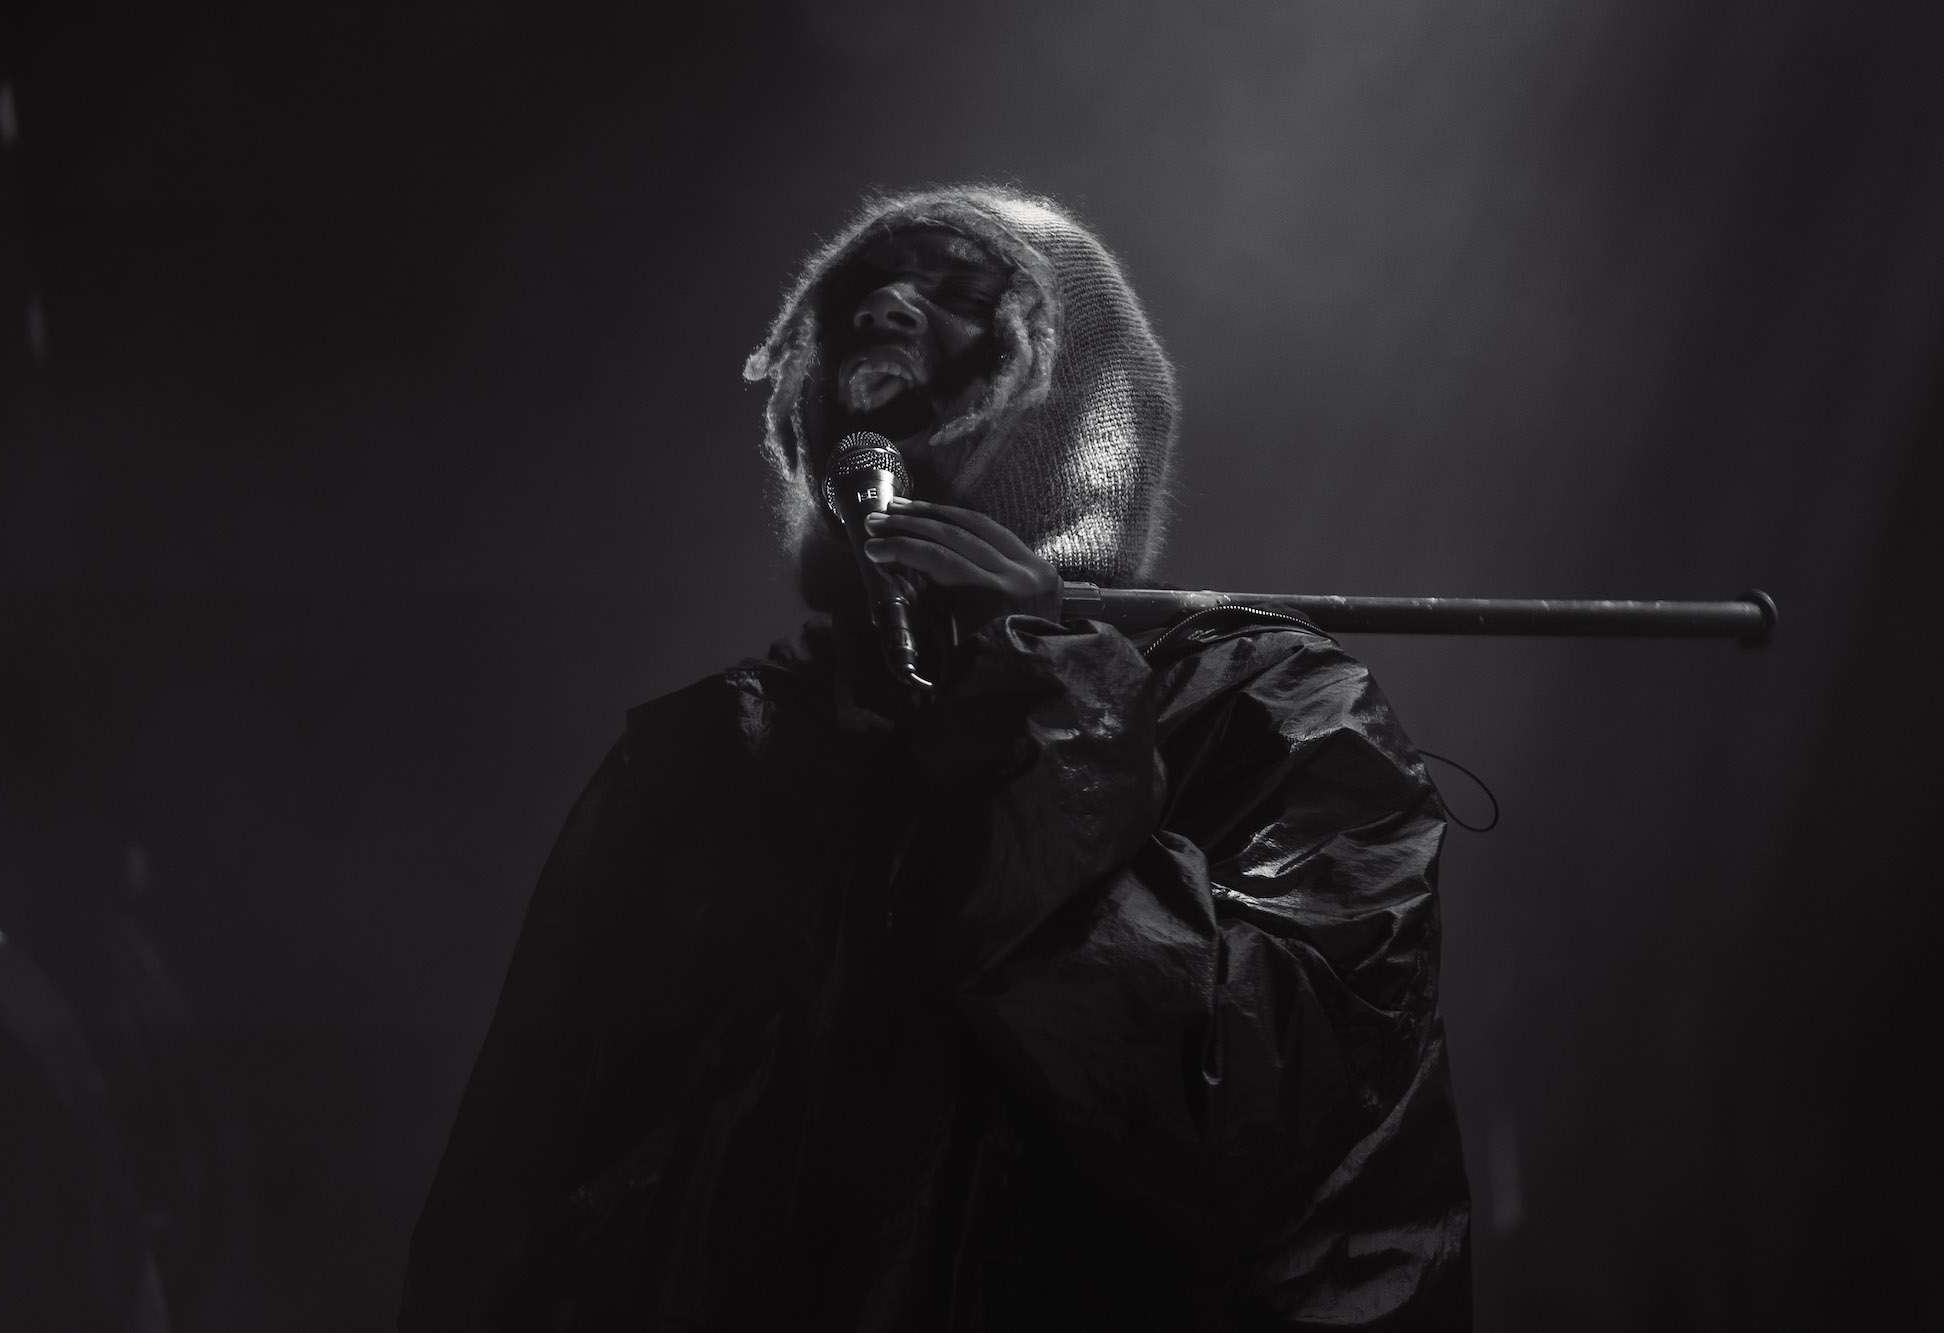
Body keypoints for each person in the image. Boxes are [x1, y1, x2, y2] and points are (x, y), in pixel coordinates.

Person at [400, 184, 1471, 1331]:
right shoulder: (719, 753)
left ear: (1075, 400)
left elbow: (1269, 1125)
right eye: (864, 289)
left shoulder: (1264, 705)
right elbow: (528, 1185)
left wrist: (1033, 716)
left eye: (965, 290)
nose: (885, 307)